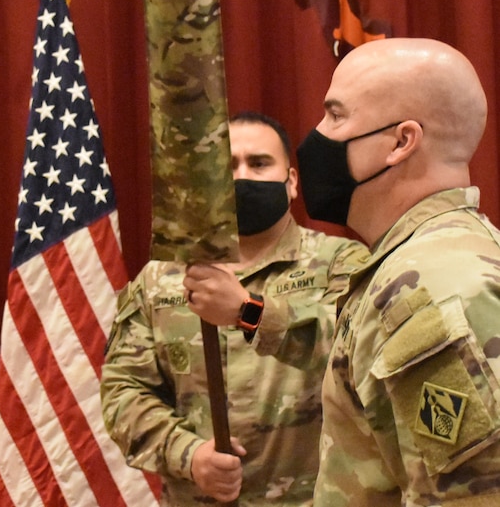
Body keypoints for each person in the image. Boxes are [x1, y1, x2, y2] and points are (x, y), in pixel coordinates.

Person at [101, 111, 367, 506]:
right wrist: (189, 456)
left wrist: (250, 312)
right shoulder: (159, 280)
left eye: (259, 164)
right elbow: (123, 390)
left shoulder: (341, 261)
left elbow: (359, 355)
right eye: (227, 166)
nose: (242, 177)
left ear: (291, 182)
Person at [295, 37, 500, 505]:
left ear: (401, 141)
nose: (317, 134)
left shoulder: (431, 289)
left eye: (337, 115)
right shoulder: (417, 264)